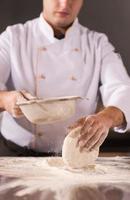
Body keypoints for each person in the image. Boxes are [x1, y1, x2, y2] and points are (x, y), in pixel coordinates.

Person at [0, 0, 130, 156]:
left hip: (76, 153)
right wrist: (6, 100)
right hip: (16, 154)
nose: (64, 4)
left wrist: (106, 118)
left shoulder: (97, 43)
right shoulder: (13, 37)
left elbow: (122, 89)